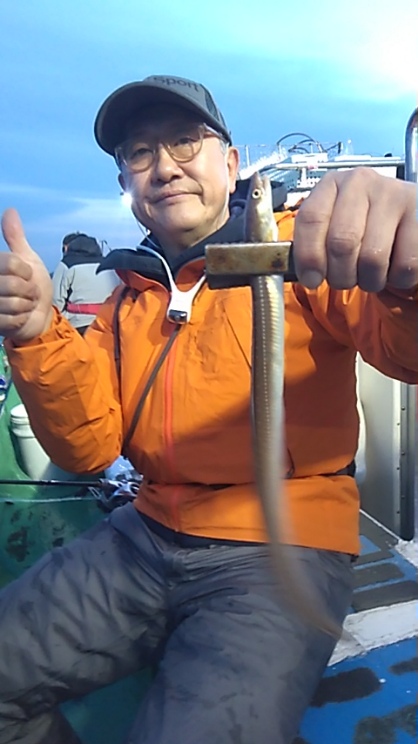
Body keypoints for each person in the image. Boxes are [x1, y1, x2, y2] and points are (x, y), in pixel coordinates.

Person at [0, 74, 417, 744]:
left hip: (283, 546)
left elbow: (406, 352)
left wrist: (408, 269)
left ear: (231, 163)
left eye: (185, 141)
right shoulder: (126, 298)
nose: (164, 167)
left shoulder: (301, 256)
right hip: (143, 535)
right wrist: (35, 334)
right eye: (139, 153)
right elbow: (86, 449)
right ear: (126, 185)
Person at [51, 231, 120, 335]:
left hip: (77, 326)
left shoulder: (66, 265)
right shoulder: (109, 266)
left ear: (67, 248)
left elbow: (56, 302)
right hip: (109, 324)